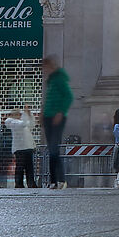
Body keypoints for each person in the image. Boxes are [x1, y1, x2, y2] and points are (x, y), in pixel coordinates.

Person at [40, 55, 73, 188]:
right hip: (49, 116)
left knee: (54, 149)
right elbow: (48, 99)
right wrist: (43, 112)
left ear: (51, 66)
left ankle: (59, 179)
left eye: (45, 67)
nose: (44, 70)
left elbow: (68, 96)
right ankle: (54, 180)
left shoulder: (59, 79)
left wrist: (61, 112)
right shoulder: (51, 81)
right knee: (52, 149)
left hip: (56, 117)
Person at [6, 108, 40, 187]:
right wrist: (26, 114)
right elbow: (23, 124)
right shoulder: (11, 122)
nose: (19, 116)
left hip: (28, 147)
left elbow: (31, 124)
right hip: (19, 148)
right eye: (17, 114)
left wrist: (29, 114)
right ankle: (19, 184)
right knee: (20, 167)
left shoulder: (21, 122)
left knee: (29, 168)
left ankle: (31, 183)